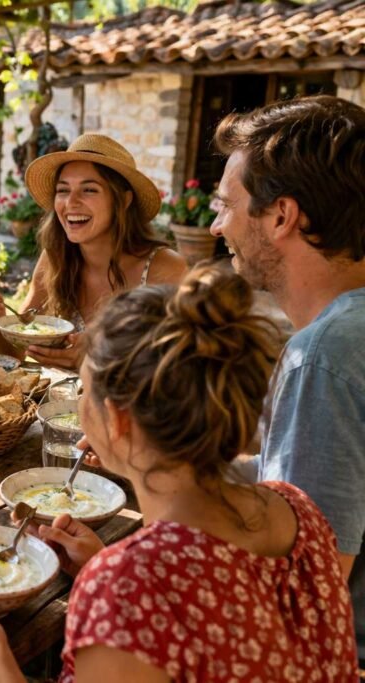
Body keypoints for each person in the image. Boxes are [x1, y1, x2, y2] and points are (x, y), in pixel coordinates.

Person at [0, 265, 357, 681]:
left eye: (84, 389)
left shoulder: (128, 588)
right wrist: (106, 567)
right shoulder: (299, 510)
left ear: (117, 419)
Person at [209, 95, 365, 666]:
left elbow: (305, 586)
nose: (215, 224)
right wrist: (171, 462)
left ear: (281, 217)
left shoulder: (324, 356)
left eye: (226, 205)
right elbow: (295, 484)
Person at [0, 134, 186, 371]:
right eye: (63, 190)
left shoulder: (166, 270)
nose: (71, 202)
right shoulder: (55, 258)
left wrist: (99, 361)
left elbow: (180, 370)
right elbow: (16, 352)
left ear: (123, 201)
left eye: (89, 190)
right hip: (59, 407)